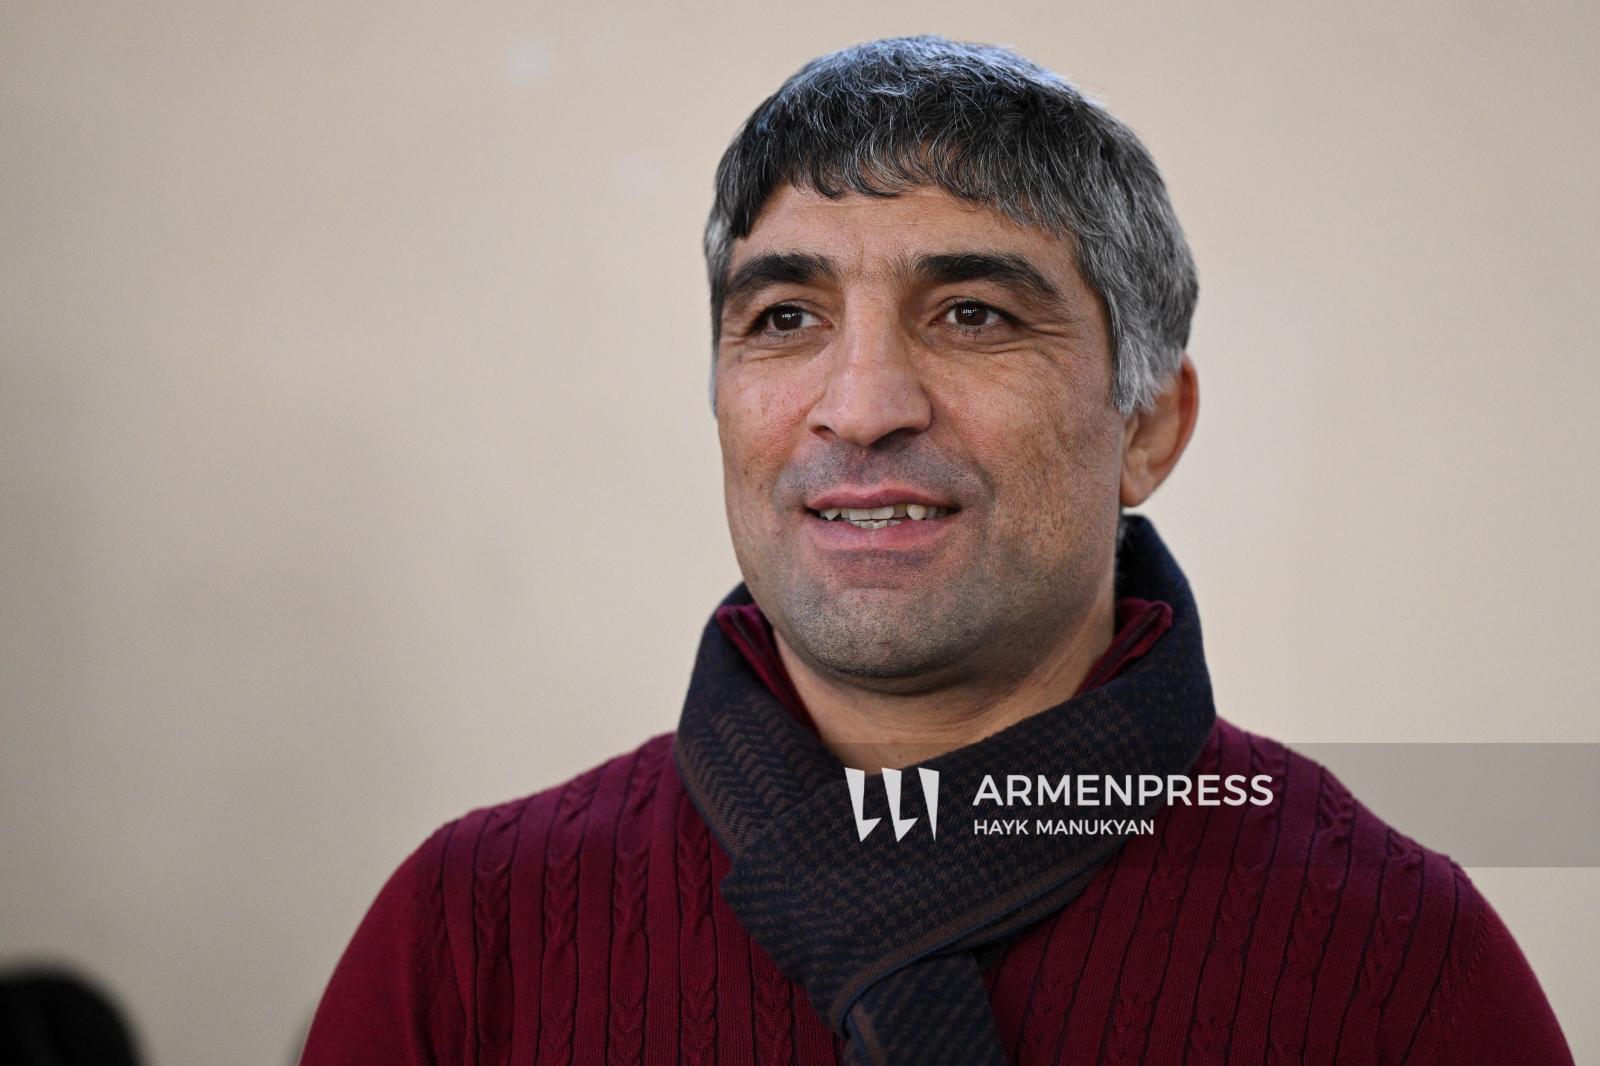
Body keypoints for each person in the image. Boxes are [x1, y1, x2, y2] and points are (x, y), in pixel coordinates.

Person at [300, 36, 1573, 1065]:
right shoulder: (467, 935)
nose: (861, 406)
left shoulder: (1395, 963)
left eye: (972, 313)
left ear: (1148, 426)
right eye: (783, 317)